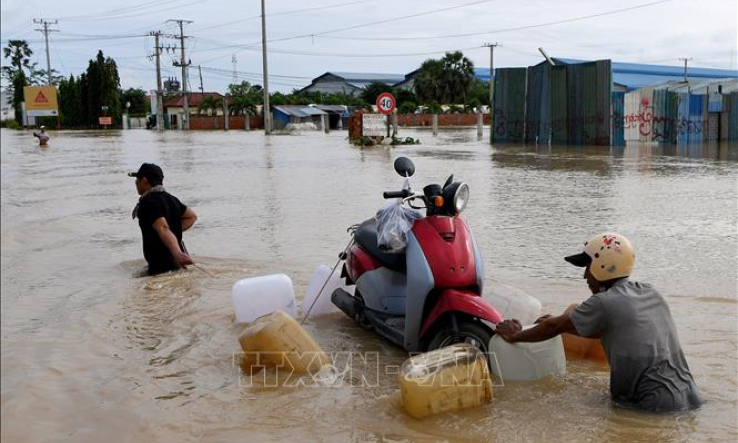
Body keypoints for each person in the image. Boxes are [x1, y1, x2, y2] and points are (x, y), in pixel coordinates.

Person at [496, 232, 702, 412]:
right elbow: (614, 330)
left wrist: (516, 334)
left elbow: (554, 327)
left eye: (587, 267)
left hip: (653, 402)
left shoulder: (604, 302)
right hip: (691, 395)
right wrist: (559, 322)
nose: (585, 275)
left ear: (602, 266)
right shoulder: (650, 292)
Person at [129, 163, 197, 275]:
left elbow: (163, 227)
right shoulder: (172, 199)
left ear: (144, 181)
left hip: (160, 268)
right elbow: (191, 217)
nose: (136, 183)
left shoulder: (148, 203)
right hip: (178, 266)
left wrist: (177, 253)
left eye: (137, 179)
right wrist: (173, 233)